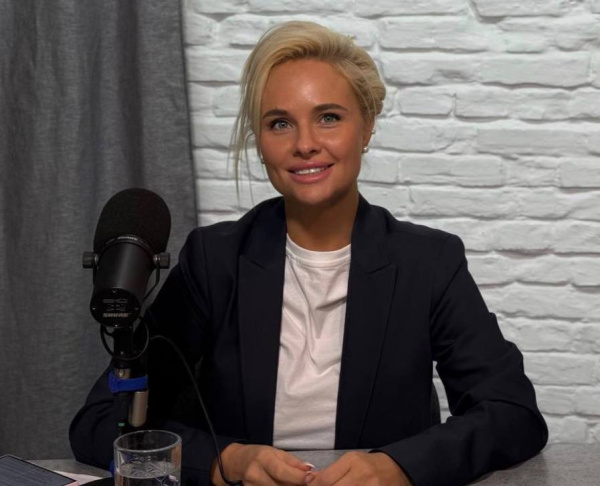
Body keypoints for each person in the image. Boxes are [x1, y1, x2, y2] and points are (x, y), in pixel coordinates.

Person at [70, 21, 548, 486]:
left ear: (367, 126)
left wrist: (401, 467)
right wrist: (224, 461)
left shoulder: (429, 262)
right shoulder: (214, 260)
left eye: (329, 117)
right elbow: (100, 422)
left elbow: (512, 414)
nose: (305, 144)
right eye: (280, 123)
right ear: (260, 143)